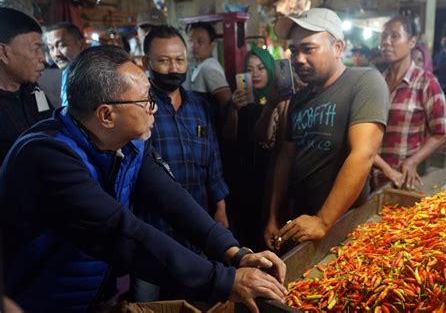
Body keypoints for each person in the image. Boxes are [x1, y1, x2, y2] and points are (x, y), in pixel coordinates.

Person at [0, 45, 287, 313]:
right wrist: (224, 281)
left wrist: (234, 253)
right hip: (39, 300)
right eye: (146, 100)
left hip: (96, 293)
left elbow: (171, 198)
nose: (155, 108)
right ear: (106, 115)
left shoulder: (127, 143)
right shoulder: (47, 154)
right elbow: (118, 231)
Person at [263, 8, 389, 249]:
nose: (298, 59)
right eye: (294, 50)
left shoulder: (364, 82)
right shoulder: (299, 99)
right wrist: (272, 216)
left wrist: (322, 220)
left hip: (344, 224)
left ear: (338, 48)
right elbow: (286, 159)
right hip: (300, 222)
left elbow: (363, 154)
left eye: (308, 49)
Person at [130, 25, 230, 301]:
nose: (173, 67)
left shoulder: (199, 105)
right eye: (163, 61)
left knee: (197, 299)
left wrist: (220, 209)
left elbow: (213, 158)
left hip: (197, 226)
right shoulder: (137, 105)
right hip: (151, 228)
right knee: (145, 301)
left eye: (180, 60)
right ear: (146, 62)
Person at [223, 48, 291, 250]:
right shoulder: (239, 99)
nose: (255, 73)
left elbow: (269, 140)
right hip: (242, 174)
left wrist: (273, 103)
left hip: (268, 173)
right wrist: (234, 109)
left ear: (271, 70)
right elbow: (228, 136)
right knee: (244, 227)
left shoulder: (281, 100)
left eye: (261, 68)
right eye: (249, 68)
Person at [373, 16, 446, 190]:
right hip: (368, 176)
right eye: (383, 36)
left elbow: (441, 132)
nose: (386, 42)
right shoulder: (375, 82)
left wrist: (413, 161)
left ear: (412, 42)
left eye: (394, 36)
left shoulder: (426, 82)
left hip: (399, 180)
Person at [0, 7, 53, 165]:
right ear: (3, 52)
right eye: (36, 49)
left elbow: (51, 125)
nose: (42, 58)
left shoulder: (33, 90)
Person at [187, 22, 232, 129]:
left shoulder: (208, 67)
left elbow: (227, 100)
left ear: (212, 45)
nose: (194, 46)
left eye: (200, 42)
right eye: (191, 41)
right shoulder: (201, 65)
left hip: (209, 128)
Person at [45, 22, 86, 106]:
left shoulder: (93, 74)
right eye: (51, 48)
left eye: (62, 45)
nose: (56, 54)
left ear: (81, 45)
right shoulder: (68, 70)